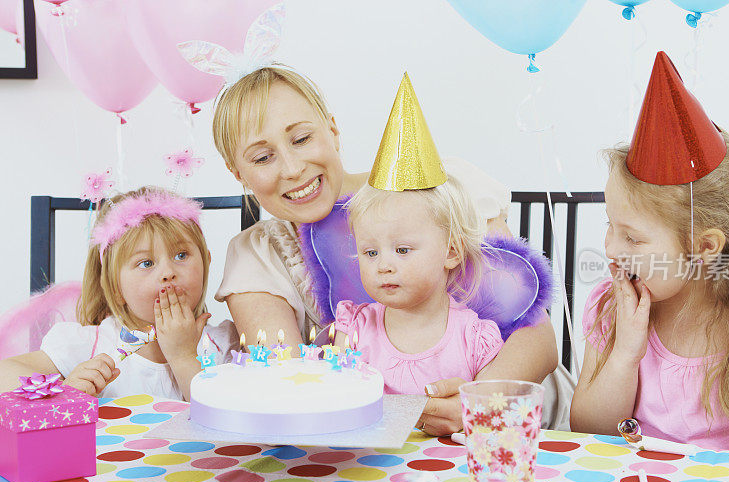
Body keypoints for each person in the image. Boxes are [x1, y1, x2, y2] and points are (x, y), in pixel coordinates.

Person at [210, 65, 558, 435]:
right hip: (384, 446)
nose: (293, 168)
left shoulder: (437, 190)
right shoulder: (255, 257)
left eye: (301, 139)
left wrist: (479, 403)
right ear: (237, 173)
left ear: (333, 130)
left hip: (510, 425)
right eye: (263, 158)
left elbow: (538, 338)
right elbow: (294, 392)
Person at [570, 52, 729, 460]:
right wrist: (626, 351)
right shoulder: (611, 309)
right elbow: (587, 431)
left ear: (704, 247)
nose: (610, 249)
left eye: (633, 239)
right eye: (610, 225)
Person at [333, 75, 505, 394]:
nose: (383, 265)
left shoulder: (474, 337)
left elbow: (491, 413)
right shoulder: (355, 330)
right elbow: (336, 401)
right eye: (371, 253)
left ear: (451, 252)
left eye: (402, 250)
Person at [0, 187, 237, 400]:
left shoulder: (225, 346)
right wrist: (63, 391)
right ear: (115, 286)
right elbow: (4, 375)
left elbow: (233, 422)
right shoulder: (88, 345)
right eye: (146, 263)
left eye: (181, 255)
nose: (168, 272)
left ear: (206, 262)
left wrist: (184, 357)